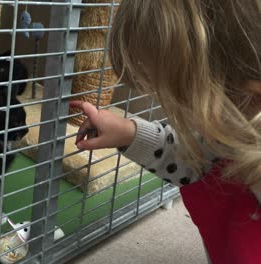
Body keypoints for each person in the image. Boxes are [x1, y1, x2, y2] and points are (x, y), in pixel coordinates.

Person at [69, 1, 261, 263]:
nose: (178, 113)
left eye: (182, 99)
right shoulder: (234, 124)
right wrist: (128, 133)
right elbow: (190, 154)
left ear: (252, 97)